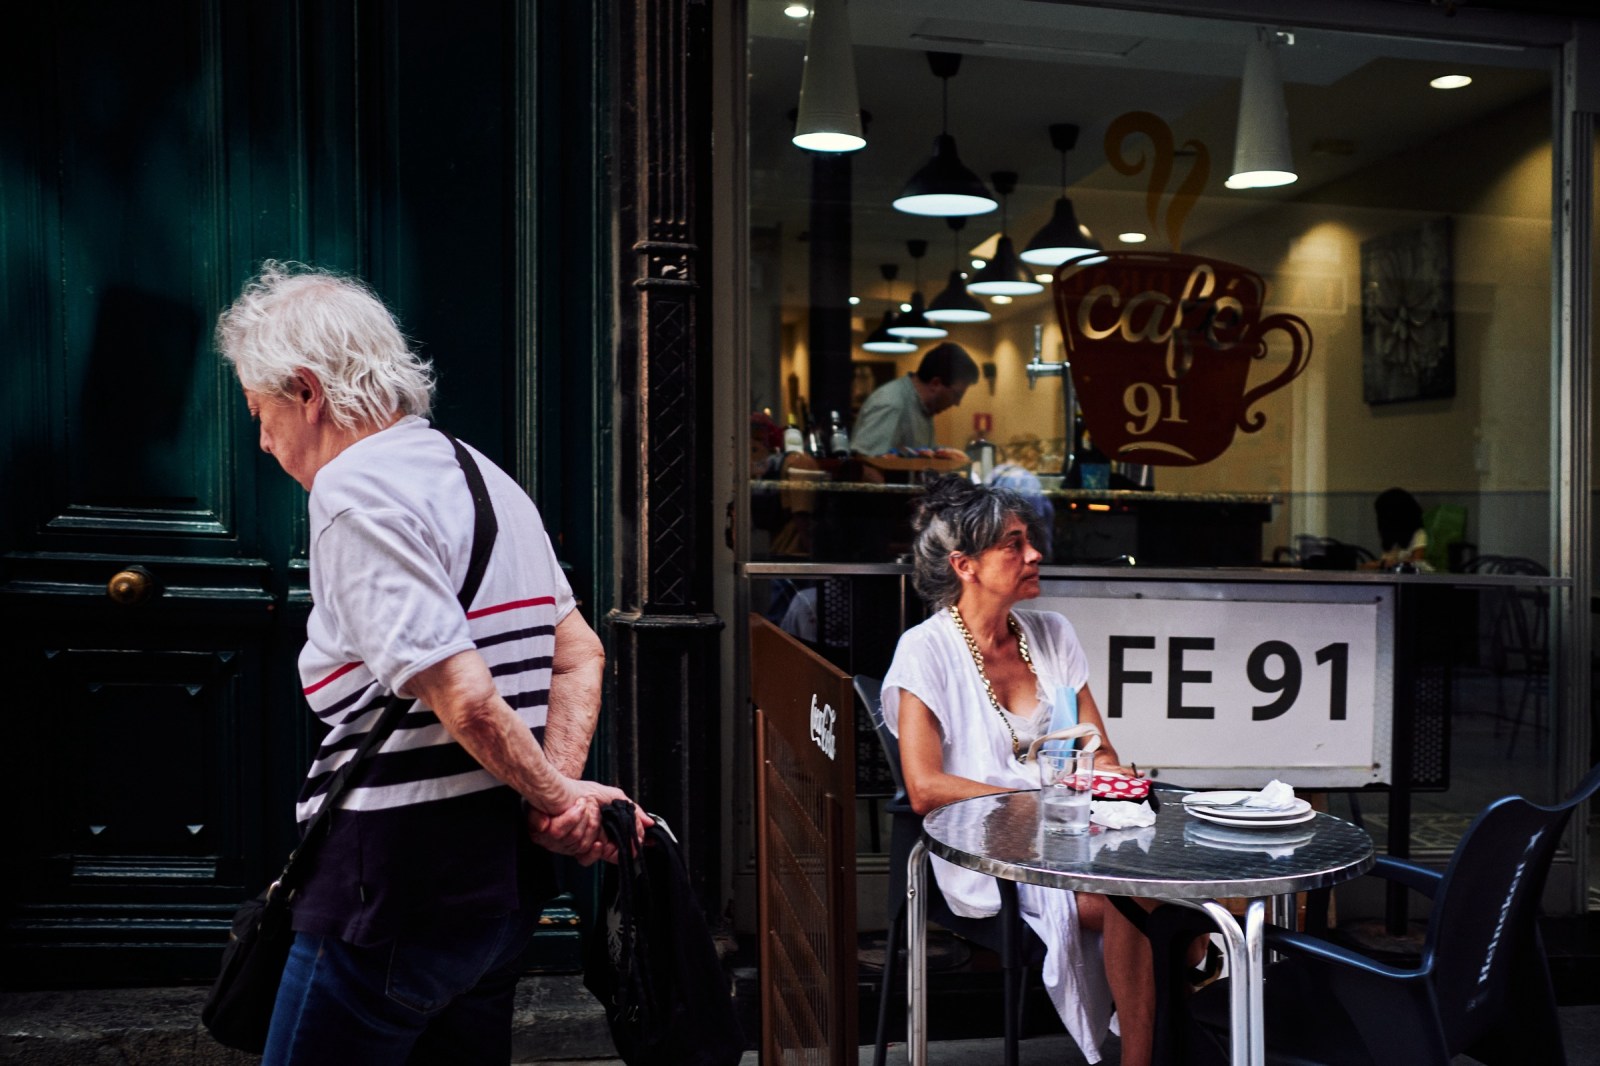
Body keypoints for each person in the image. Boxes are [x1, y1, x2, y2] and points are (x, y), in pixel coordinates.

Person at [216, 261, 647, 1065]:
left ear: (306, 392)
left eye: (260, 412)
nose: (265, 440)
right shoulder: (486, 476)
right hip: (498, 894)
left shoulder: (354, 490)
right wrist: (550, 805)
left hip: (391, 890)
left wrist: (556, 797)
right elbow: (578, 651)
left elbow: (465, 698)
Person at [880, 475, 1199, 1066]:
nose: (1034, 555)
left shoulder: (1053, 634)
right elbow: (925, 789)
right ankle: (1145, 1056)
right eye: (1014, 544)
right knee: (1146, 900)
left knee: (1182, 890)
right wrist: (1037, 804)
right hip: (988, 849)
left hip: (1076, 835)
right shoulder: (925, 651)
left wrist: (1101, 782)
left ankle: (1161, 1045)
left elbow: (1099, 750)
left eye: (1030, 540)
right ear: (965, 565)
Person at [849, 342, 980, 456]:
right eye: (957, 395)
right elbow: (865, 464)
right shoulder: (892, 403)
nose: (957, 403)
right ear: (935, 384)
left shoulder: (923, 407)